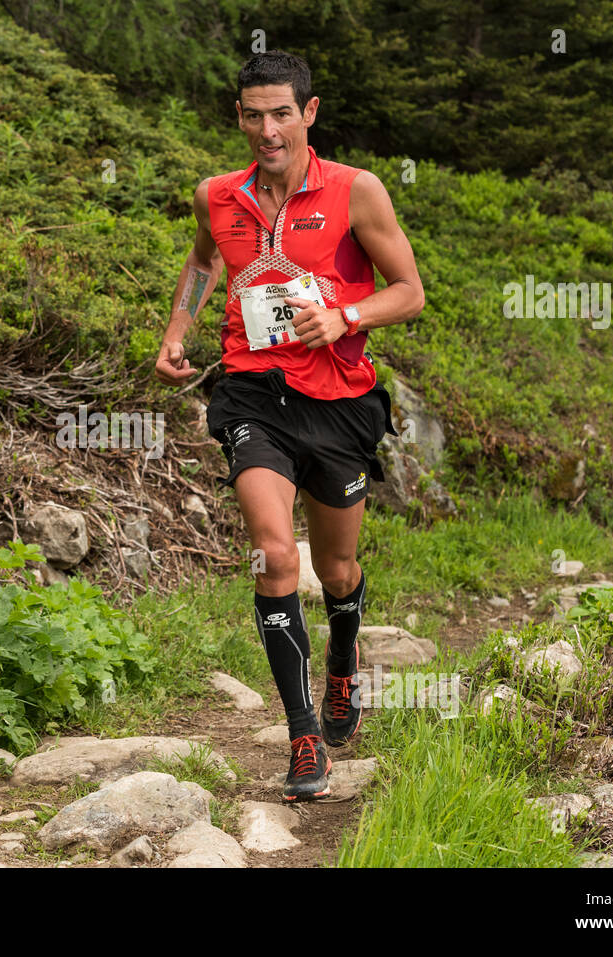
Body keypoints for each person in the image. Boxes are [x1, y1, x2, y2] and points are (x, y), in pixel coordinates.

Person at [155, 50, 425, 801]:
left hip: (338, 402)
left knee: (336, 571)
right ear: (237, 117)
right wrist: (178, 330)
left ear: (309, 113)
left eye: (281, 113)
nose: (267, 129)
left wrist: (344, 315)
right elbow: (204, 260)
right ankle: (304, 735)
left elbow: (409, 291)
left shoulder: (355, 192)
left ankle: (344, 657)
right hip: (253, 394)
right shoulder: (218, 194)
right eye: (252, 115)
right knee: (276, 558)